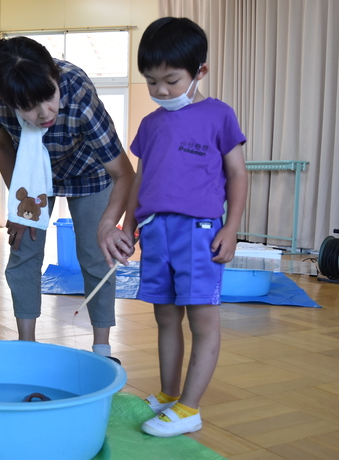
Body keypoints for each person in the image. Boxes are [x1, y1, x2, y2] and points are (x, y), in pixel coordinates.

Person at [118, 17, 248, 437]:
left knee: (203, 321)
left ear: (200, 72)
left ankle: (190, 408)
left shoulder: (219, 115)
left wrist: (231, 228)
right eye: (151, 82)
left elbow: (238, 175)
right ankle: (170, 395)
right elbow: (141, 178)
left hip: (200, 233)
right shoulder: (151, 124)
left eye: (171, 81)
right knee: (166, 318)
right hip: (157, 232)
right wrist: (128, 223)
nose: (160, 91)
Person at [0, 37, 135, 361]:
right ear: (9, 100)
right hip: (32, 174)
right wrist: (20, 207)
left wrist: (106, 225)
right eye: (29, 107)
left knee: (95, 253)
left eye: (48, 96)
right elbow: (2, 146)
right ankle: (27, 346)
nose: (45, 112)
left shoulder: (77, 89)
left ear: (54, 77)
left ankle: (102, 348)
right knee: (23, 250)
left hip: (89, 172)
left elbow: (124, 173)